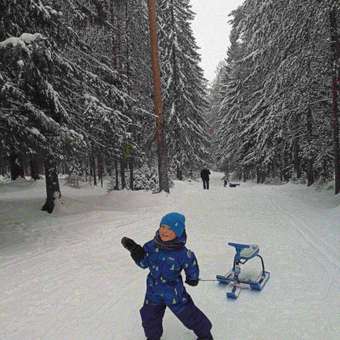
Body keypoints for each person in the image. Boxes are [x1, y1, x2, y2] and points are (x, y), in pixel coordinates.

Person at [121, 212, 213, 340]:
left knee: (189, 314)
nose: (164, 231)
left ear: (178, 232)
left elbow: (191, 264)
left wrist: (192, 277)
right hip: (153, 290)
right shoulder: (151, 246)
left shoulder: (183, 253)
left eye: (170, 228)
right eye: (162, 226)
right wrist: (135, 250)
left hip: (174, 292)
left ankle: (205, 335)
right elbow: (143, 263)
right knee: (149, 316)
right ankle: (153, 337)